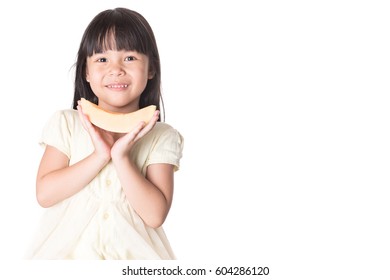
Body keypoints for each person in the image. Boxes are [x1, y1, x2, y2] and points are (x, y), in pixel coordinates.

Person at [25, 7, 184, 260]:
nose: (116, 69)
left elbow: (155, 215)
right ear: (86, 72)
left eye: (130, 58)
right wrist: (100, 155)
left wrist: (121, 157)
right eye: (102, 59)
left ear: (151, 69)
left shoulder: (161, 135)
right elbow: (45, 194)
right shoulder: (67, 123)